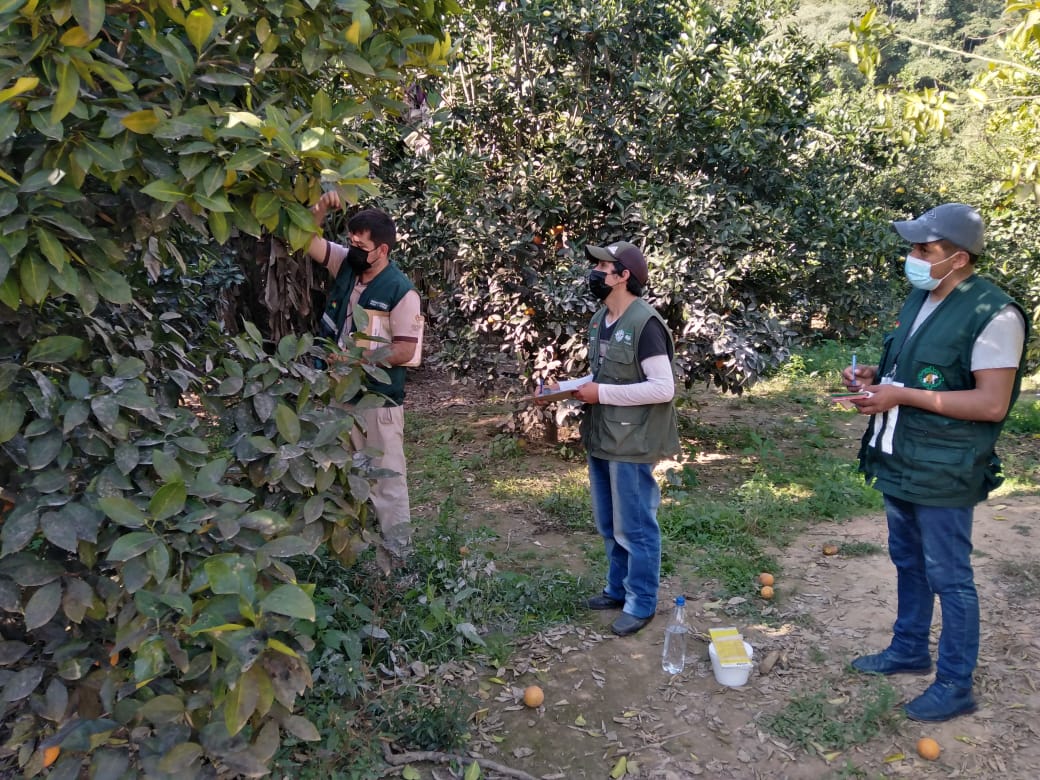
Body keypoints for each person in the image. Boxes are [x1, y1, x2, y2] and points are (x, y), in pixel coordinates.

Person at [843, 203, 1028, 722]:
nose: (913, 258)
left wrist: (900, 397)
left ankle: (955, 683)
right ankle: (908, 648)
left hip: (945, 465)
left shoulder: (994, 315)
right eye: (913, 248)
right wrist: (871, 381)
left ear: (960, 257)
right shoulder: (922, 296)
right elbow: (912, 372)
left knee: (949, 574)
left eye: (925, 250)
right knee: (908, 561)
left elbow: (990, 404)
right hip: (902, 455)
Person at [543, 241, 680, 636]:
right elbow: (606, 377)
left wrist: (599, 394)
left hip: (633, 441)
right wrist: (566, 387)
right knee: (609, 523)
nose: (596, 273)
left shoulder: (645, 323)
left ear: (623, 276)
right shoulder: (602, 318)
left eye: (604, 267)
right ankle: (617, 589)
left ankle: (641, 602)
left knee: (635, 526)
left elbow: (662, 388)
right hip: (603, 435)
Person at [308, 191, 422, 557]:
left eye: (361, 245)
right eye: (350, 242)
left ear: (383, 250)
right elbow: (307, 240)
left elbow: (406, 350)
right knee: (344, 476)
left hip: (378, 400)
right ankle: (353, 555)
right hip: (338, 396)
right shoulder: (346, 265)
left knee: (387, 483)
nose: (352, 249)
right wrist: (321, 209)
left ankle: (398, 557)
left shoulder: (402, 291)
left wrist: (356, 359)